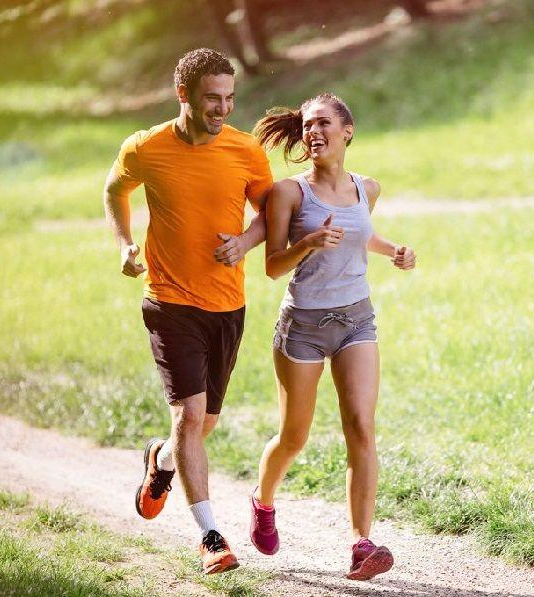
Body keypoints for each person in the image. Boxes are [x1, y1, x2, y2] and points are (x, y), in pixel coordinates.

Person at [102, 48, 273, 575]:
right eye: (212, 99)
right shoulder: (146, 147)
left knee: (204, 424)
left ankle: (160, 460)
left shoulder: (245, 150)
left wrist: (245, 242)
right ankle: (210, 536)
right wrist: (124, 245)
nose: (222, 108)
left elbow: (271, 214)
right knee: (190, 416)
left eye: (229, 98)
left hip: (228, 304)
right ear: (184, 95)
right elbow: (114, 190)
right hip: (169, 300)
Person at [248, 93, 416, 580]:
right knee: (294, 437)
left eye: (322, 122)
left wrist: (394, 250)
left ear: (347, 131)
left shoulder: (368, 188)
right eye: (306, 125)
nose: (312, 131)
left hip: (356, 319)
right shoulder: (289, 193)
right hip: (302, 326)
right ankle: (262, 500)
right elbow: (272, 266)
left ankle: (361, 543)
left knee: (361, 427)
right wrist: (308, 243)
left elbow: (359, 234)